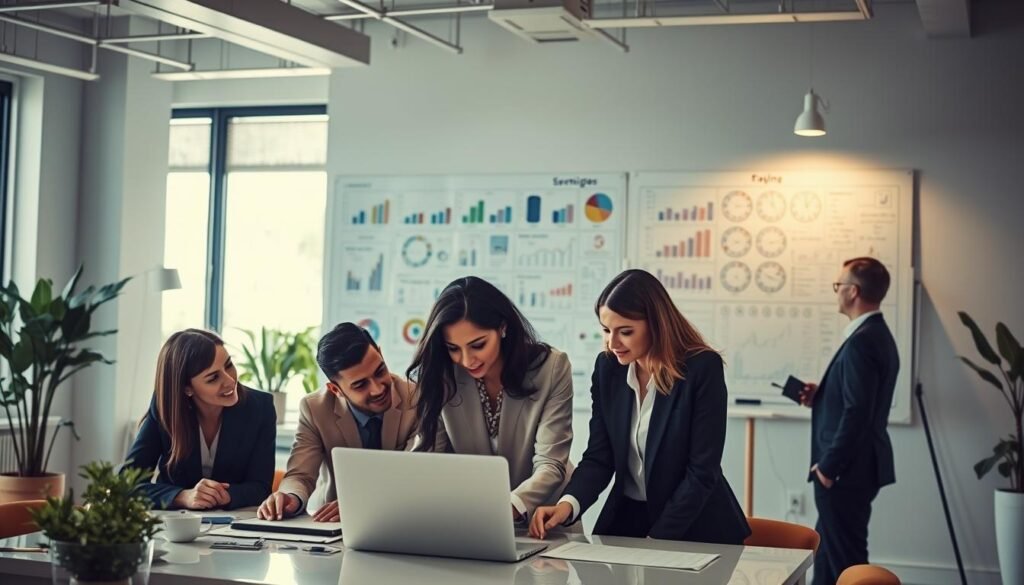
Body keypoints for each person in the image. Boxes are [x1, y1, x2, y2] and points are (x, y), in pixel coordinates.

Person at [530, 269, 749, 544]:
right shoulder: (608, 367)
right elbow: (600, 456)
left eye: (625, 332)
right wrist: (566, 505)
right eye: (607, 330)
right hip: (627, 520)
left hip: (693, 527)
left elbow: (701, 472)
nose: (612, 343)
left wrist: (656, 541)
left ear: (657, 325)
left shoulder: (701, 368)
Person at [408, 276, 573, 522]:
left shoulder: (551, 368)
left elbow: (550, 463)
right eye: (453, 348)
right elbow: (429, 459)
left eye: (478, 345)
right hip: (472, 519)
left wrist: (508, 507)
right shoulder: (441, 375)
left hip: (541, 518)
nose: (466, 360)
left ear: (503, 327)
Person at [799, 257, 899, 585]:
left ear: (853, 291)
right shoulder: (874, 334)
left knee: (845, 563)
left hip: (844, 473)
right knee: (828, 556)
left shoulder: (863, 340)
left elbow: (858, 412)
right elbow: (857, 402)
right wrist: (823, 393)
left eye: (838, 285)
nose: (836, 291)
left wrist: (829, 468)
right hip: (853, 470)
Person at [257, 322, 418, 521]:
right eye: (360, 385)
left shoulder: (417, 399)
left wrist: (361, 504)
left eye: (379, 371)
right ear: (336, 390)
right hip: (332, 524)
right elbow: (300, 475)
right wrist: (290, 498)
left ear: (381, 355)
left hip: (400, 518)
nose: (378, 389)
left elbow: (416, 477)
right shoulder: (315, 408)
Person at [124, 329, 276, 510]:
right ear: (186, 388)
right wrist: (182, 496)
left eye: (228, 365)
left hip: (235, 523)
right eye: (213, 378)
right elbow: (127, 484)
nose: (230, 381)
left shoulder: (260, 407)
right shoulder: (166, 407)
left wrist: (224, 495)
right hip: (175, 524)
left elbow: (261, 487)